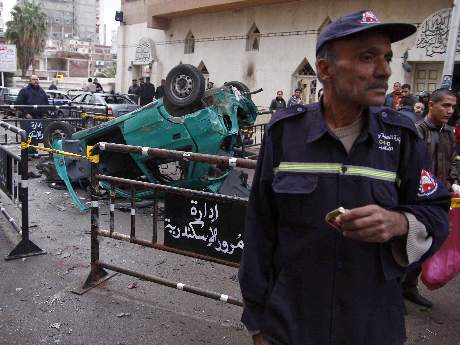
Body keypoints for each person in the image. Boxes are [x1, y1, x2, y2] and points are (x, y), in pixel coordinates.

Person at [239, 10, 450, 345]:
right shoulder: (284, 133)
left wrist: (400, 224)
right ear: (325, 70)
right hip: (290, 324)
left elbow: (438, 215)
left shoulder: (402, 137)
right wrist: (258, 323)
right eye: (367, 57)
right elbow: (259, 231)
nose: (384, 70)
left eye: (387, 57)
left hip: (373, 326)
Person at [401, 89, 459, 309]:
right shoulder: (416, 131)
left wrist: (453, 181)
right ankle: (394, 292)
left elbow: (454, 159)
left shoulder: (449, 133)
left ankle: (409, 287)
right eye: (445, 105)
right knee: (407, 246)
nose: (450, 110)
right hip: (417, 199)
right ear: (430, 105)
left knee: (427, 245)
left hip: (440, 198)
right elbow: (407, 166)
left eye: (453, 106)